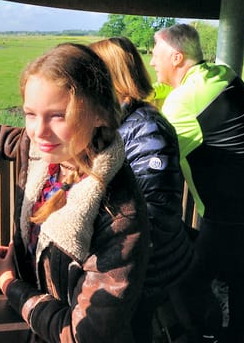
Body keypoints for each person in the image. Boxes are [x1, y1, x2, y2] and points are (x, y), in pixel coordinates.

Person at [0, 43, 150, 342]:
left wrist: (9, 282)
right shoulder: (38, 150)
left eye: (58, 115)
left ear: (100, 113)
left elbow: (81, 335)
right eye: (30, 114)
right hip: (32, 318)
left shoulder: (120, 213)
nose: (39, 131)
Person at [150, 24, 244, 343]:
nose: (152, 62)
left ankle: (204, 335)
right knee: (240, 273)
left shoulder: (182, 104)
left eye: (155, 55)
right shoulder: (224, 74)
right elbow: (177, 92)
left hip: (232, 212)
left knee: (190, 278)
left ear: (176, 57)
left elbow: (157, 156)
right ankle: (239, 333)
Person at [90, 37, 193, 342]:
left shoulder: (147, 129)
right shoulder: (122, 120)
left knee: (135, 330)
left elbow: (154, 210)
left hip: (147, 266)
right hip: (138, 262)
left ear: (109, 76)